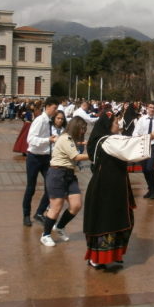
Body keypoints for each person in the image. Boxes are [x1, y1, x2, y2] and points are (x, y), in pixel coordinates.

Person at [83, 112, 154, 268]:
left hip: (113, 186)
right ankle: (98, 258)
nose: (119, 125)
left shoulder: (105, 140)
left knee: (120, 219)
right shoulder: (108, 141)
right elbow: (128, 145)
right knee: (106, 222)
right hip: (106, 188)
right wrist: (151, 136)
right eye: (116, 122)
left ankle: (115, 254)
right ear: (108, 125)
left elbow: (125, 143)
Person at [39, 116, 90, 247]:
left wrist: (84, 144)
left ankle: (60, 226)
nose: (83, 131)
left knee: (76, 205)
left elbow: (76, 149)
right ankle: (45, 235)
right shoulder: (65, 138)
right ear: (76, 127)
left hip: (69, 174)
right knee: (56, 207)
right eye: (82, 128)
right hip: (57, 174)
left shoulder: (71, 139)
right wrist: (95, 155)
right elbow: (76, 156)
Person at [22, 96, 59, 227]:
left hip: (46, 158)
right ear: (48, 106)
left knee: (51, 186)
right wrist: (47, 140)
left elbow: (52, 137)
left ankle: (39, 213)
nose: (56, 111)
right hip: (34, 157)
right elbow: (31, 140)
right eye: (54, 108)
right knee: (31, 187)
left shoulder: (49, 121)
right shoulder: (39, 120)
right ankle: (26, 215)